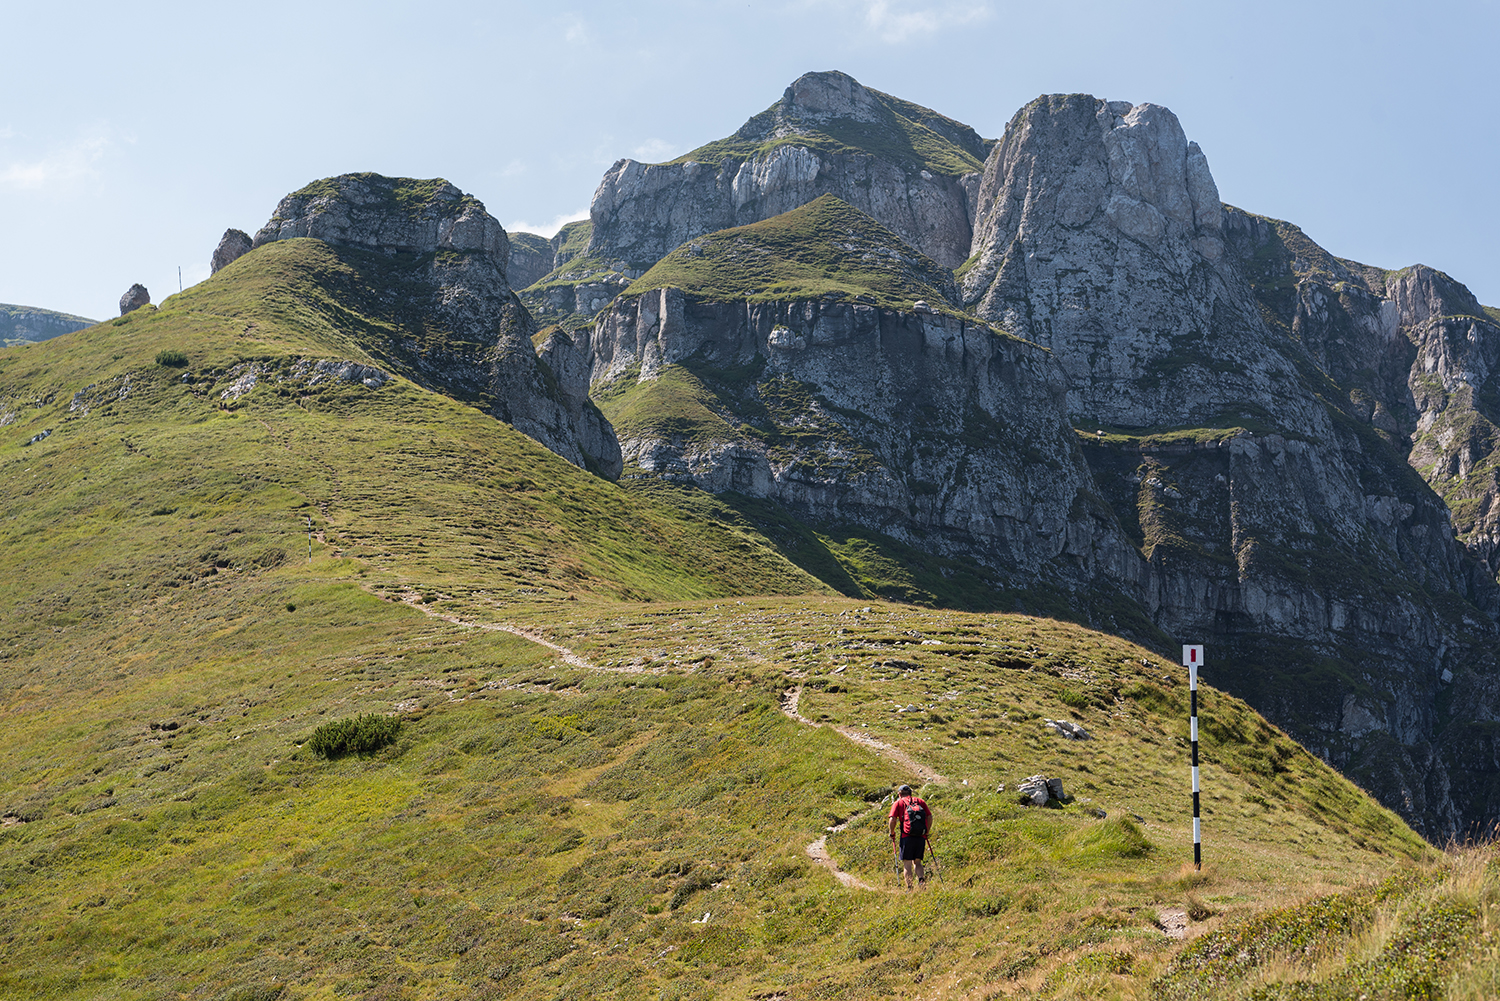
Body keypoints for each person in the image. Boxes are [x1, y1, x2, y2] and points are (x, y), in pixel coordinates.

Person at [887, 783, 931, 891]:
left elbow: (892, 819)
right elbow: (929, 816)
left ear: (899, 794)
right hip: (920, 836)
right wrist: (927, 831)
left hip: (906, 836)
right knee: (918, 862)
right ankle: (921, 881)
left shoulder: (898, 803)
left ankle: (909, 888)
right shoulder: (920, 802)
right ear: (910, 793)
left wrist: (892, 833)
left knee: (907, 863)